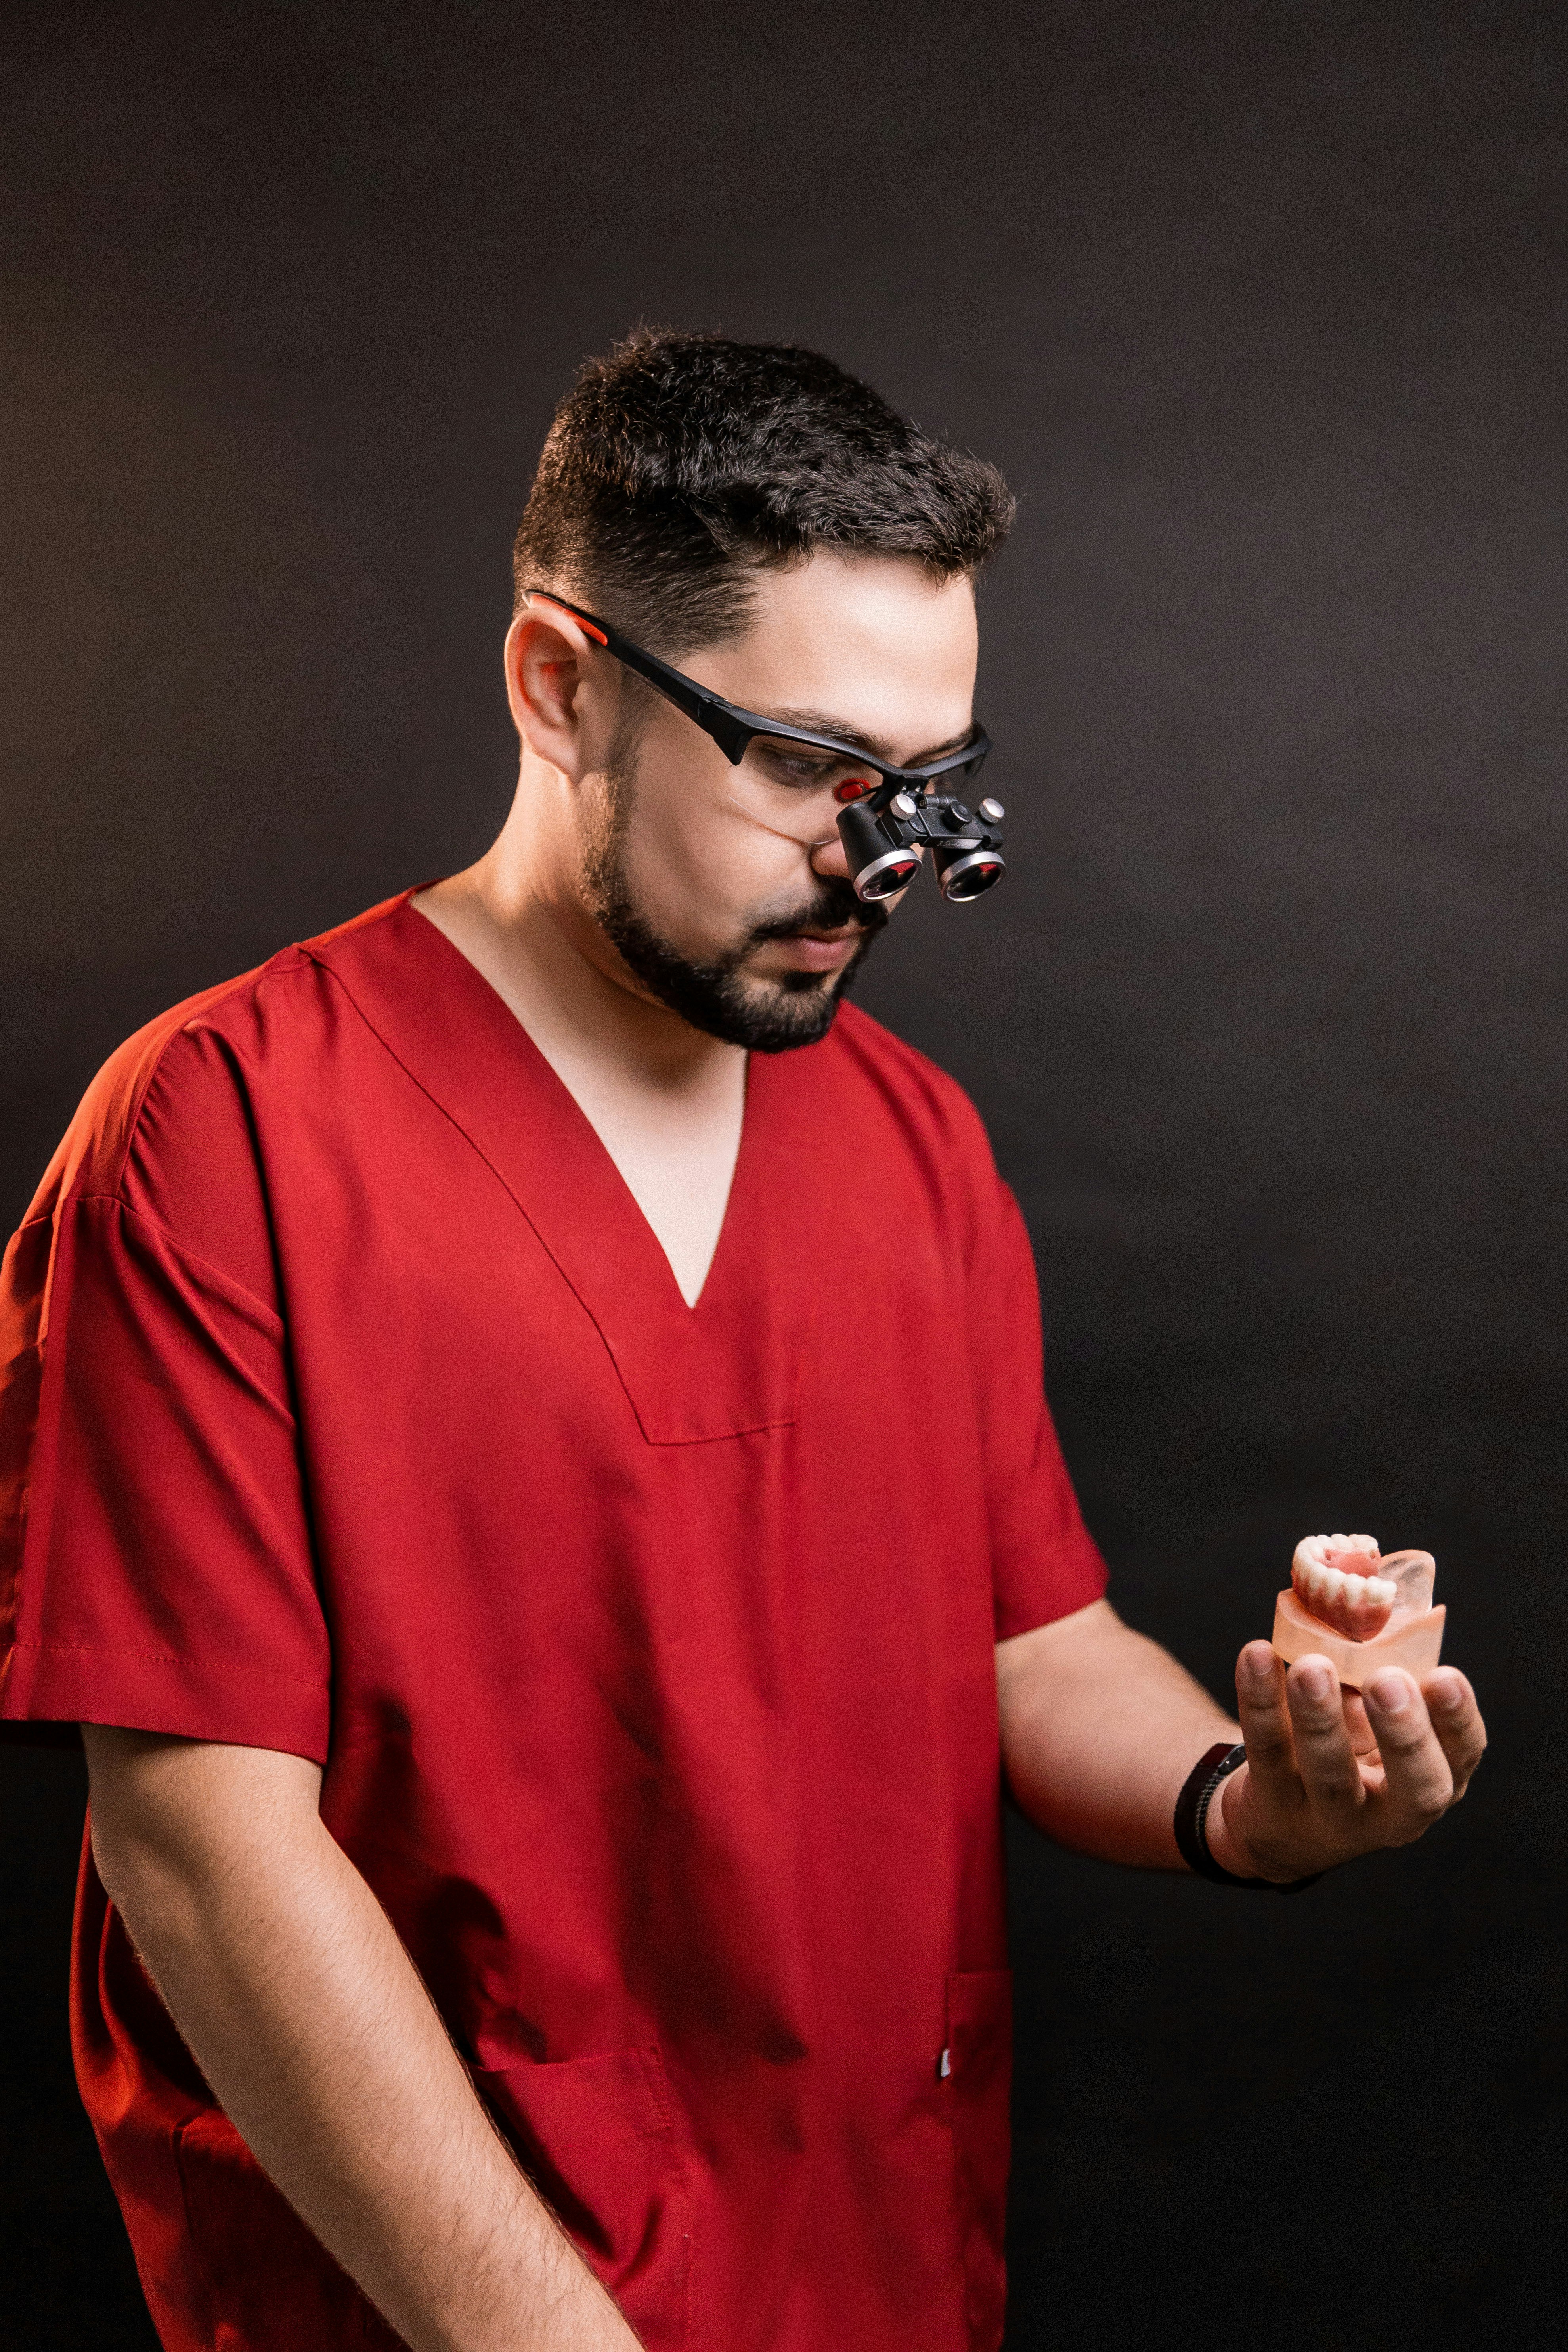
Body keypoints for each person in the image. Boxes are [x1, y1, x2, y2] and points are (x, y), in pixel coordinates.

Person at [0, 331, 1486, 2352]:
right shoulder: (222, 1127)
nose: (886, 863)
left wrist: (1253, 1796)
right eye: (804, 765)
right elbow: (196, 1832)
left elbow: (1028, 1649)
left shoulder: (913, 1141)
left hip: (863, 2260)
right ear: (558, 682)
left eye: (927, 781)